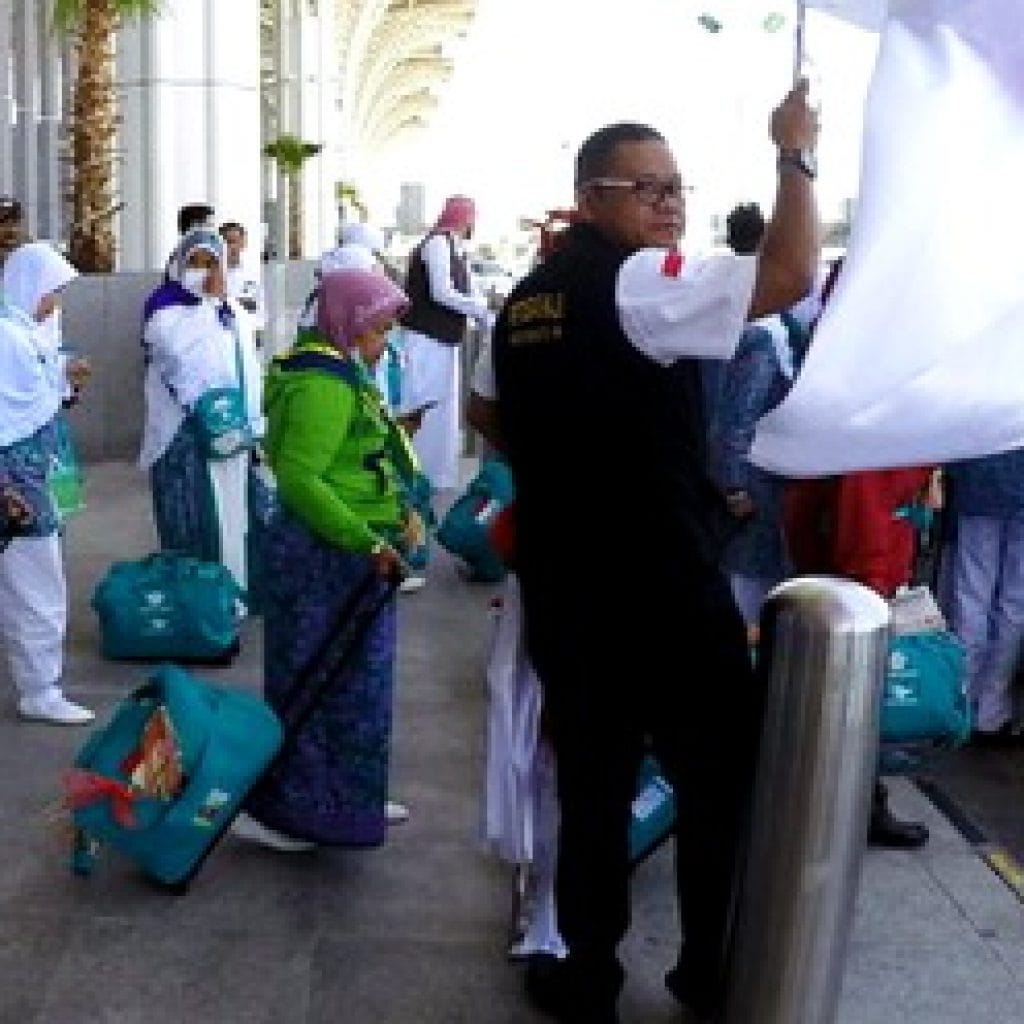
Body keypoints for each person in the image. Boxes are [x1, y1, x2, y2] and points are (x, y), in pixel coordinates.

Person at [492, 82, 821, 1024]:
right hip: (661, 594)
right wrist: (794, 154)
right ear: (590, 197)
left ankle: (585, 975)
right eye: (645, 189)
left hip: (569, 590)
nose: (669, 204)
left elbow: (490, 416)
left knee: (594, 789)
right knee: (718, 785)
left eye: (676, 187)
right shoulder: (635, 281)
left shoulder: (526, 297)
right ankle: (709, 975)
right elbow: (790, 276)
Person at [235, 269, 416, 851]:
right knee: (317, 680)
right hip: (326, 554)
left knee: (356, 684)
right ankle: (293, 808)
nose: (384, 340)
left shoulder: (340, 373)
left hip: (351, 549)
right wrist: (366, 539)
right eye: (380, 328)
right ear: (351, 323)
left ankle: (349, 795)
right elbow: (301, 479)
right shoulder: (323, 385)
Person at [140, 228, 263, 596]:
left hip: (231, 433)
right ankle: (196, 603)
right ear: (179, 265)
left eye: (212, 263)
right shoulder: (164, 310)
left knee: (232, 517)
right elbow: (180, 359)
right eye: (194, 263)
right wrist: (209, 308)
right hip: (185, 436)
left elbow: (248, 366)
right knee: (194, 520)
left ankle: (230, 596)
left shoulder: (230, 310)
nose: (205, 272)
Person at [0, 297, 93, 724]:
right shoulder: (9, 336)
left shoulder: (26, 332)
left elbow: (44, 399)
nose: (54, 301)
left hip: (37, 473)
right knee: (36, 586)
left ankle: (39, 685)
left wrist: (64, 378)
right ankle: (39, 689)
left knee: (35, 582)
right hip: (18, 479)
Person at [397, 195, 492, 491]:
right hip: (426, 339)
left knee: (443, 410)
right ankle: (419, 472)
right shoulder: (437, 243)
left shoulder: (454, 247)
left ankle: (435, 475)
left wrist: (483, 313)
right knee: (425, 405)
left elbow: (469, 290)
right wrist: (479, 311)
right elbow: (441, 292)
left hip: (442, 340)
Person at [943, 447, 1024, 744]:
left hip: (981, 477)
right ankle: (993, 706)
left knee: (971, 594)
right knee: (1016, 602)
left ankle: (963, 700)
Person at [219, 221, 266, 332]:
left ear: (243, 243)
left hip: (250, 334)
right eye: (226, 242)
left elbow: (261, 310)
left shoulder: (255, 274)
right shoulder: (212, 276)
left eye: (234, 242)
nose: (230, 247)